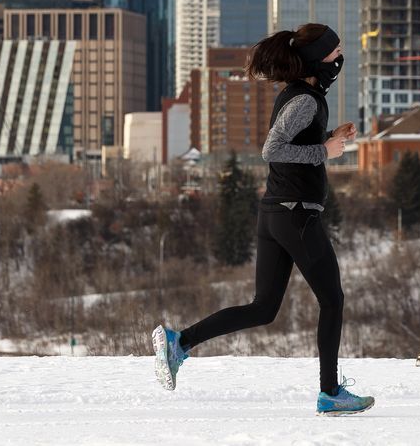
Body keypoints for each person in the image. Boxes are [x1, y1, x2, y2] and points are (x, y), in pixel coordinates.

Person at [152, 23, 374, 416]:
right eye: (335, 50)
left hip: (276, 213)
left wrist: (329, 137)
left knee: (263, 308)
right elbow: (272, 149)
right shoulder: (304, 100)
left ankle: (179, 343)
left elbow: (294, 143)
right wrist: (326, 150)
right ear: (316, 58)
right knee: (333, 301)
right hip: (296, 214)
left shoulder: (302, 97)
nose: (340, 56)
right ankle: (330, 393)